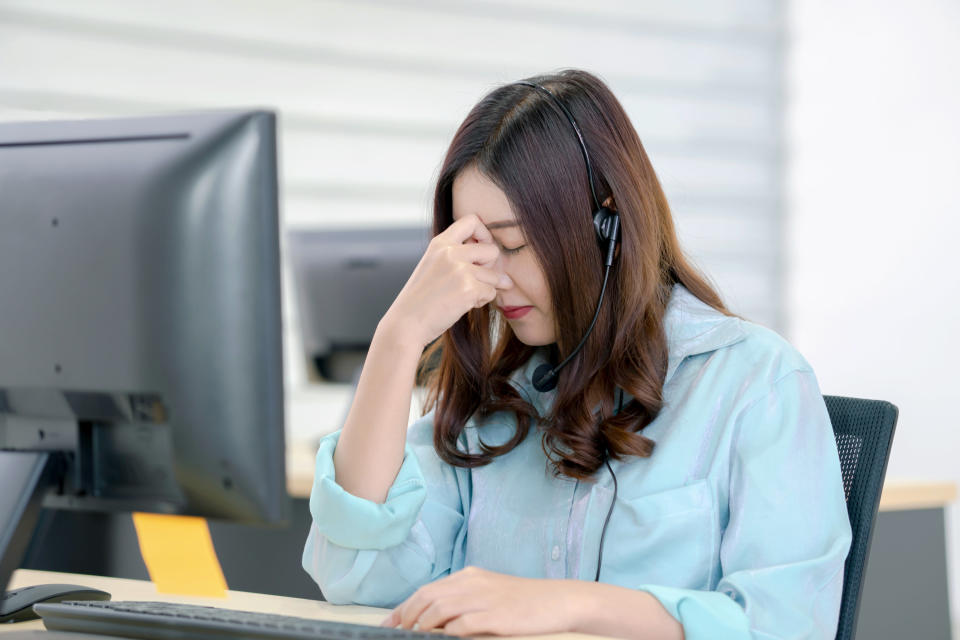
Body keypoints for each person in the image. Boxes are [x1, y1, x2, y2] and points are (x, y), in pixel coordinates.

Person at [301, 69, 852, 640]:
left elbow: (787, 626)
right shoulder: (498, 399)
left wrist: (566, 606)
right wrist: (398, 338)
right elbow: (354, 578)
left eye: (512, 244)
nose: (493, 280)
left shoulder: (753, 381)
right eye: (474, 249)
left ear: (606, 222)